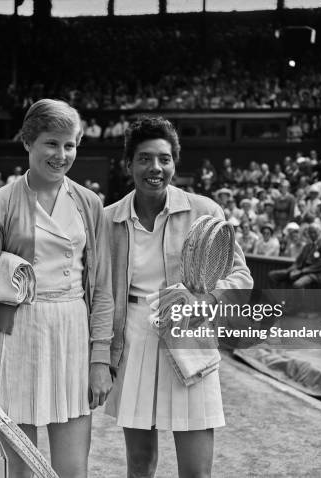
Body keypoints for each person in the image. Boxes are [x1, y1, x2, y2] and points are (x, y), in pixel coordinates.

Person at [0, 99, 113, 477]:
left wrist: (100, 359)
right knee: (22, 472)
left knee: (73, 472)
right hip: (17, 340)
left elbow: (101, 289)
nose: (61, 154)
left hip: (73, 336)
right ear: (28, 142)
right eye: (51, 143)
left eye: (70, 145)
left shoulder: (89, 203)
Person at [104, 117, 252, 478]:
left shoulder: (206, 211)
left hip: (190, 337)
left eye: (164, 159)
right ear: (129, 165)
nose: (155, 168)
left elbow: (241, 277)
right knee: (139, 465)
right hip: (133, 343)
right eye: (144, 158)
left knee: (196, 471)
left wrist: (205, 301)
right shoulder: (107, 219)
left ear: (174, 163)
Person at [268, 223, 321, 289]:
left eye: (314, 232)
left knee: (297, 285)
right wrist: (290, 270)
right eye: (310, 232)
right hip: (301, 270)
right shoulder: (308, 245)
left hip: (316, 273)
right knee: (272, 275)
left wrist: (301, 271)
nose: (312, 234)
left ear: (320, 232)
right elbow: (298, 261)